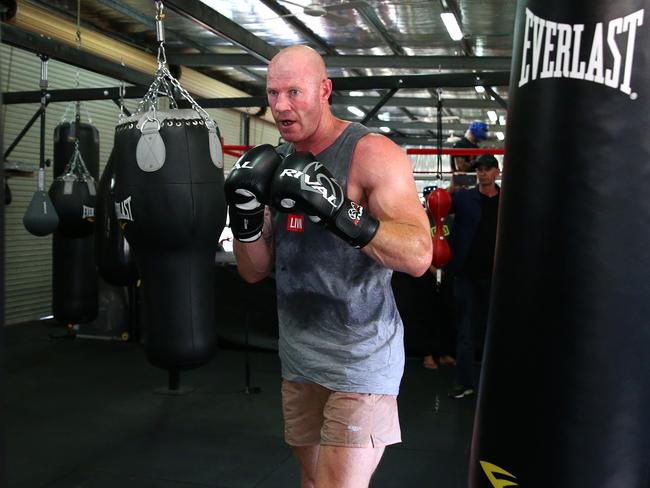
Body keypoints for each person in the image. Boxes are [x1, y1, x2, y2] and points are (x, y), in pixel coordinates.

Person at [224, 45, 432, 488]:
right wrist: (244, 221)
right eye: (273, 92)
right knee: (313, 482)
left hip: (361, 359)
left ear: (324, 90)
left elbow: (418, 255)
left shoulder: (370, 154)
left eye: (294, 92)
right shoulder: (275, 163)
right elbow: (253, 270)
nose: (281, 105)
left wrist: (342, 213)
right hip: (299, 358)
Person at [446, 154, 500, 399]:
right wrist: (444, 194)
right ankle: (464, 382)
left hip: (495, 277)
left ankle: (492, 384)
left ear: (497, 172)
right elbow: (438, 209)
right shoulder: (465, 198)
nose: (483, 173)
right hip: (466, 274)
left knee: (493, 331)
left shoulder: (506, 201)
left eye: (488, 169)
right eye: (480, 169)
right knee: (466, 332)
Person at [421, 186, 456, 370]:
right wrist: (432, 268)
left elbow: (454, 244)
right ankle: (428, 355)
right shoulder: (422, 220)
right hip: (428, 273)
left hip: (446, 274)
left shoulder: (449, 220)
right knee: (428, 314)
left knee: (446, 312)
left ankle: (444, 353)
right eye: (429, 198)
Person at [449, 121, 489, 192]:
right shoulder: (461, 145)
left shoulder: (475, 147)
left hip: (473, 181)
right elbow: (461, 168)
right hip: (461, 183)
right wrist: (478, 159)